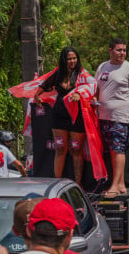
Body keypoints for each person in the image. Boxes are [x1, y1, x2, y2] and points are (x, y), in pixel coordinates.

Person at [33, 47, 96, 186]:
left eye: (74, 58)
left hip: (76, 117)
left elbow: (93, 87)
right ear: (63, 60)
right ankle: (57, 183)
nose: (72, 61)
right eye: (69, 58)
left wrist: (79, 94)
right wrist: (37, 95)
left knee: (76, 149)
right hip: (59, 116)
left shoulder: (82, 74)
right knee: (60, 148)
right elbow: (45, 85)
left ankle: (77, 185)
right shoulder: (58, 73)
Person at [95, 38, 129, 198]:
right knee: (110, 150)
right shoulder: (103, 67)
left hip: (121, 116)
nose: (122, 53)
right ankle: (121, 184)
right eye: (119, 50)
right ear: (110, 50)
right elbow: (96, 88)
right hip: (103, 116)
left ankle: (115, 186)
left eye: (124, 50)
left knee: (118, 150)